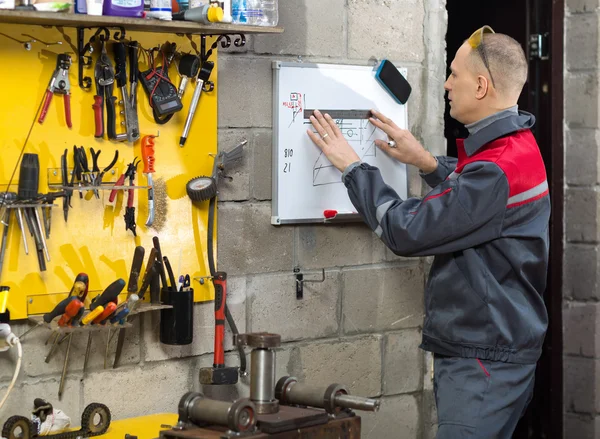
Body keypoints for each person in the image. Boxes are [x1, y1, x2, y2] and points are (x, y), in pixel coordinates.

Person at [307, 26, 549, 438]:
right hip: (500, 349)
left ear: (480, 85)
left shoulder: (494, 169)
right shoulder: (517, 147)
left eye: (454, 75)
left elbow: (406, 231)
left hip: (483, 360)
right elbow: (477, 202)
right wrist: (427, 162)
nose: (446, 84)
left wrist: (353, 167)